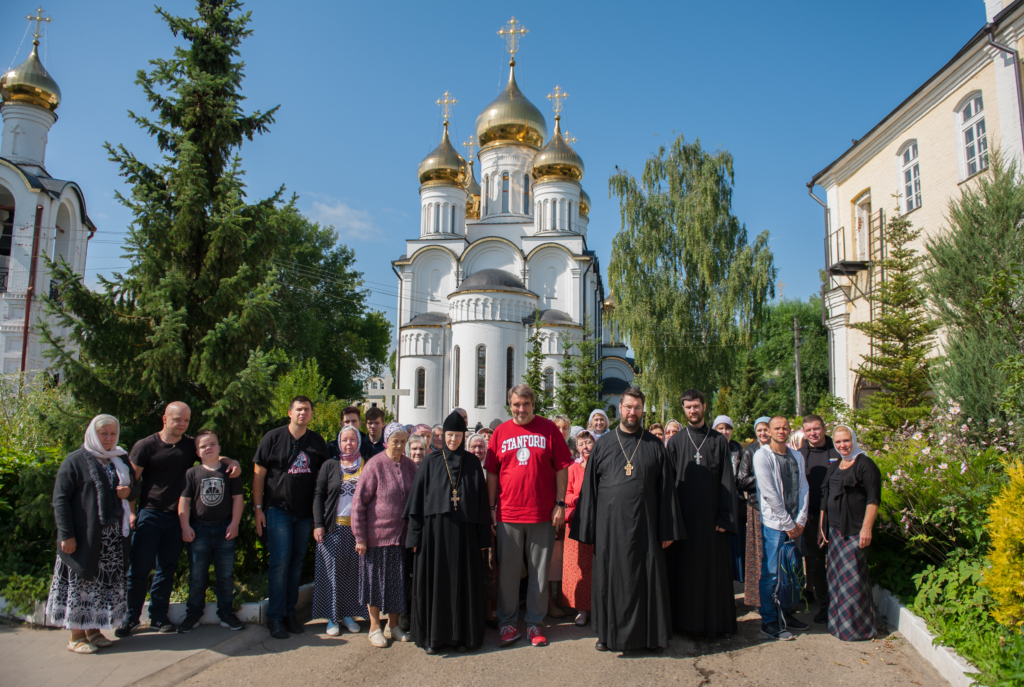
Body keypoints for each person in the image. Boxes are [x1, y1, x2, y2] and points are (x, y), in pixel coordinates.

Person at [573, 388, 683, 653]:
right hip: (610, 530)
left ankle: (651, 635)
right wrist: (588, 529)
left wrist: (667, 528)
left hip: (646, 527)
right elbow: (591, 490)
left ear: (643, 411)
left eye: (637, 408)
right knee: (609, 580)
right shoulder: (604, 445)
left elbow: (667, 489)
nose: (632, 412)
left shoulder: (655, 445)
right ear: (619, 408)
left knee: (647, 580)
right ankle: (607, 635)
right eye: (628, 407)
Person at [118, 402, 240, 637]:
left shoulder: (187, 445)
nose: (182, 424)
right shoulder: (145, 446)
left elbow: (209, 450)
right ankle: (130, 617)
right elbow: (130, 481)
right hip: (150, 514)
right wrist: (132, 512)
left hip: (177, 517)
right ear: (165, 419)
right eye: (177, 420)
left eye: (186, 420)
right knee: (139, 568)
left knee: (167, 568)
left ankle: (158, 617)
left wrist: (231, 462)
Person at [486, 384, 574, 648]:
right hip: (508, 514)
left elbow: (561, 467)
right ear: (509, 405)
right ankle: (508, 625)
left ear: (533, 404)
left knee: (538, 573)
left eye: (526, 404)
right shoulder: (500, 433)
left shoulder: (548, 429)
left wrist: (560, 503)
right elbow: (491, 473)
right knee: (509, 574)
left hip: (542, 514)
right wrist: (491, 508)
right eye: (516, 404)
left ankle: (535, 624)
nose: (521, 409)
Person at [48, 415, 138, 654]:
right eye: (103, 434)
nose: (108, 438)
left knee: (100, 587)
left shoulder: (119, 459)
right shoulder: (75, 461)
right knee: (82, 585)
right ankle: (76, 636)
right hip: (83, 539)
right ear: (92, 433)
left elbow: (136, 488)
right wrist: (66, 535)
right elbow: (60, 500)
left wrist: (129, 490)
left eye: (112, 434)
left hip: (112, 540)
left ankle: (94, 631)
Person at [405, 411, 491, 653]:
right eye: (449, 435)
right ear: (442, 436)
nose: (453, 439)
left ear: (464, 436)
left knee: (465, 585)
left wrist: (483, 538)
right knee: (436, 585)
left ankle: (464, 637)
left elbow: (482, 503)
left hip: (465, 536)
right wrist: (415, 537)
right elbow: (416, 505)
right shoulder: (431, 462)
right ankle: (435, 638)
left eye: (457, 435)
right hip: (435, 538)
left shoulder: (472, 462)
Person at [253, 396, 329, 639]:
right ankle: (275, 617)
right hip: (278, 510)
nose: (302, 413)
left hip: (305, 513)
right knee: (280, 562)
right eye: (298, 409)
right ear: (289, 412)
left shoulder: (317, 442)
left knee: (296, 563)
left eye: (307, 410)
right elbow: (258, 475)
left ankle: (289, 613)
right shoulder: (273, 438)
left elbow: (323, 477)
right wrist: (257, 508)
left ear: (311, 414)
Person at [665, 390, 738, 640]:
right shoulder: (675, 442)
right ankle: (685, 624)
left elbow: (727, 481)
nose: (692, 411)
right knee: (686, 575)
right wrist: (671, 520)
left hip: (711, 523)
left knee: (711, 575)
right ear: (683, 410)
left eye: (696, 406)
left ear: (704, 407)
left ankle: (714, 624)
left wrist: (725, 517)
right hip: (684, 523)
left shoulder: (718, 441)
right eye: (688, 407)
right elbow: (668, 485)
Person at [352, 423, 417, 648]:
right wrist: (360, 537)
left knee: (397, 584)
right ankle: (374, 628)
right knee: (376, 585)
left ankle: (394, 625)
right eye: (395, 441)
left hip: (401, 537)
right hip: (377, 538)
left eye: (402, 441)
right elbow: (359, 503)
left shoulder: (410, 466)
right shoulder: (375, 465)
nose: (399, 445)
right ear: (386, 441)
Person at [177, 430, 244, 633]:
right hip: (199, 530)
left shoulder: (230, 471)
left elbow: (238, 499)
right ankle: (193, 614)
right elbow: (185, 501)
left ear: (219, 448)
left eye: (212, 444)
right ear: (197, 452)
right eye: (203, 446)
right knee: (197, 575)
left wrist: (234, 523)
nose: (208, 448)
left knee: (225, 575)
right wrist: (185, 525)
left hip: (225, 528)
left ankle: (226, 613)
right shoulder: (192, 473)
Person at [820, 425, 880, 641]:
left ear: (853, 440)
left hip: (853, 531)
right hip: (835, 532)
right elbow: (826, 496)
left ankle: (856, 630)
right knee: (836, 580)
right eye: (838, 442)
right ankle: (838, 626)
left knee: (853, 582)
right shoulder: (837, 465)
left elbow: (873, 499)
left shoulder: (865, 464)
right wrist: (822, 526)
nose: (842, 445)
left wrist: (867, 528)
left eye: (846, 441)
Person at [753, 416, 810, 641]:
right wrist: (788, 524)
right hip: (776, 526)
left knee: (793, 572)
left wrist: (802, 519)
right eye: (777, 428)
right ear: (769, 431)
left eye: (785, 427)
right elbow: (769, 493)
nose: (782, 431)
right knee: (772, 575)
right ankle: (769, 620)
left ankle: (786, 613)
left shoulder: (796, 456)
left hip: (796, 524)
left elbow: (804, 486)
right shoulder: (762, 456)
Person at [312, 425, 365, 637]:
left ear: (358, 441)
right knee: (332, 573)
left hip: (357, 529)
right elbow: (318, 495)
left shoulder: (365, 464)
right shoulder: (330, 465)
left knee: (353, 574)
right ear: (339, 442)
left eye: (352, 439)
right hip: (333, 528)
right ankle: (333, 617)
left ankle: (349, 614)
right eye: (344, 440)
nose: (348, 443)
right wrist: (318, 524)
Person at [798, 414, 843, 623]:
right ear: (803, 432)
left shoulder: (838, 450)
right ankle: (824, 604)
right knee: (815, 563)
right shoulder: (800, 455)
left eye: (816, 429)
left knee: (836, 561)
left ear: (824, 428)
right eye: (808, 430)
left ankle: (841, 603)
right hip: (811, 517)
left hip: (837, 516)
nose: (813, 433)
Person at [561, 429, 595, 626]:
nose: (585, 447)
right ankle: (582, 610)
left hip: (598, 523)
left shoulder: (601, 467)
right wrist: (581, 498)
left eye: (588, 442)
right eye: (581, 444)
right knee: (580, 568)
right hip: (577, 523)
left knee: (595, 568)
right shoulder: (573, 469)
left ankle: (597, 608)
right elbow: (566, 494)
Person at [739, 417, 771, 607]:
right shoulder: (751, 451)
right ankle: (758, 598)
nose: (763, 433)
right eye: (759, 430)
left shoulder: (781, 450)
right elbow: (742, 480)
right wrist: (764, 478)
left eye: (766, 429)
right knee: (758, 555)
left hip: (778, 510)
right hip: (757, 507)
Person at [466, 431, 498, 626]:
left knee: (489, 569)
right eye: (474, 447)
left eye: (481, 447)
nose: (477, 450)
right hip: (468, 527)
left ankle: (488, 610)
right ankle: (471, 611)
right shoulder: (462, 468)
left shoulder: (490, 471)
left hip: (487, 526)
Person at [713, 415, 746, 584]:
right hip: (716, 507)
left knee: (736, 553)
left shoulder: (738, 450)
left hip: (736, 507)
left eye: (727, 428)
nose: (724, 432)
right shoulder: (710, 449)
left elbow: (742, 477)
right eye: (720, 428)